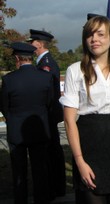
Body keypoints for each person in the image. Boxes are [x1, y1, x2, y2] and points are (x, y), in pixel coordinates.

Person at [60, 15, 110, 204]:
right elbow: (69, 119)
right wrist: (79, 160)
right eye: (89, 34)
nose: (94, 39)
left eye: (100, 34)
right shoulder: (75, 70)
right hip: (89, 145)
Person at [0, 42, 57, 204]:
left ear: (17, 58)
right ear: (31, 58)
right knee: (40, 170)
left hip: (17, 131)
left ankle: (21, 199)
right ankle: (42, 199)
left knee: (19, 172)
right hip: (40, 129)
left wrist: (12, 119)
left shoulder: (9, 79)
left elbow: (4, 105)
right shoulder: (45, 77)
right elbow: (49, 103)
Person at [27, 29, 66, 198]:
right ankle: (55, 186)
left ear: (39, 44)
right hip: (47, 112)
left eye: (32, 42)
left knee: (52, 152)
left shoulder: (46, 63)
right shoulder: (43, 62)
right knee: (51, 151)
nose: (30, 45)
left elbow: (47, 91)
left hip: (48, 113)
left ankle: (55, 187)